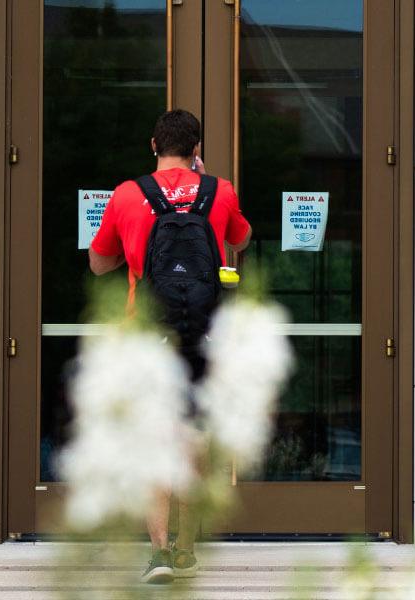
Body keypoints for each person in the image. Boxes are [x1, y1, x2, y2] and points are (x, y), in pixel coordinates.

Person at [88, 109, 252, 584]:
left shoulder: (127, 194)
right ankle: (186, 549)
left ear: (152, 145)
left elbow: (98, 264)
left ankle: (159, 553)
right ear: (196, 148)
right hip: (203, 334)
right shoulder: (219, 191)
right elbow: (240, 240)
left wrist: (130, 251)